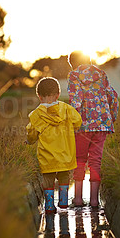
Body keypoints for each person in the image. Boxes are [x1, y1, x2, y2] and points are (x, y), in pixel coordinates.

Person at [67, 51, 118, 207]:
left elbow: (76, 100)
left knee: (80, 160)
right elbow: (112, 96)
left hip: (83, 125)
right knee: (96, 160)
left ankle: (77, 199)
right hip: (102, 123)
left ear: (71, 64)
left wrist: (70, 121)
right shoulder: (101, 74)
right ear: (89, 61)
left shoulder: (74, 76)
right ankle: (95, 201)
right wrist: (111, 118)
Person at [26, 77, 82, 213]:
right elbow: (78, 121)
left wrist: (30, 141)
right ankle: (63, 203)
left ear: (39, 96)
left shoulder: (36, 115)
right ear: (58, 94)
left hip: (47, 156)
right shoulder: (67, 110)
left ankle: (49, 206)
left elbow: (31, 133)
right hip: (65, 154)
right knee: (64, 176)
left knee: (48, 179)